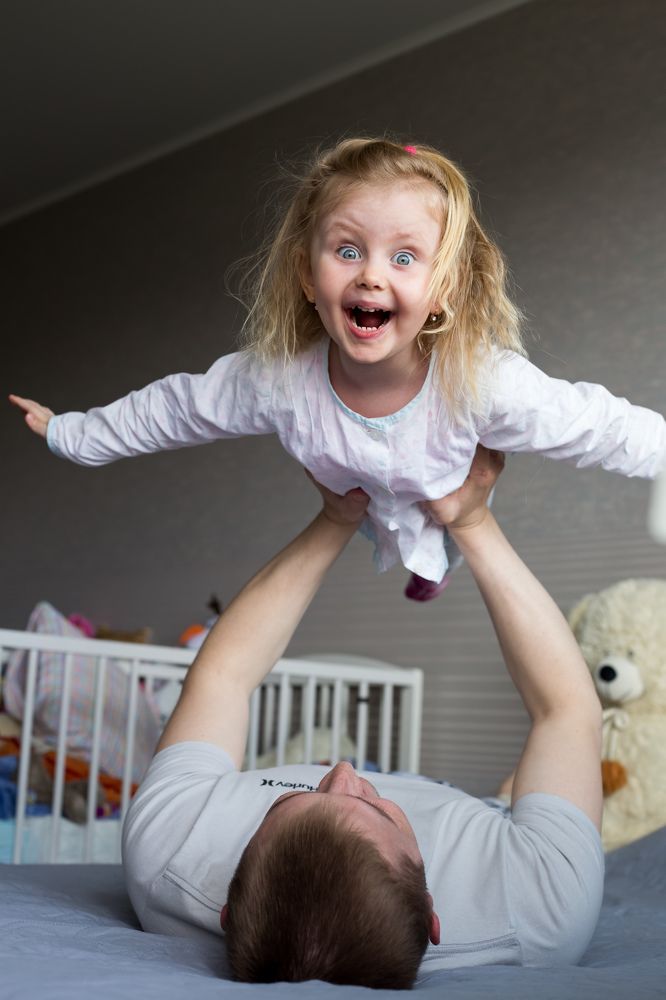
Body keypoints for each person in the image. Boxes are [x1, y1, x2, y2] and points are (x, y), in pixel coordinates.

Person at [10, 137, 665, 601]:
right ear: (306, 274)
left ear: (444, 290)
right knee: (388, 525)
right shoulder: (277, 380)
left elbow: (595, 424)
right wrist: (75, 433)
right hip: (362, 499)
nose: (371, 275)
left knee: (439, 533)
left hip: (446, 486)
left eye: (404, 258)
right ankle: (419, 559)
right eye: (348, 250)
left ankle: (432, 564)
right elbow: (179, 409)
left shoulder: (483, 381)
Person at [121, 447, 604, 989]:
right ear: (433, 915)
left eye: (295, 799)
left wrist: (337, 517)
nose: (345, 771)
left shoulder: (168, 853)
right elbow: (566, 710)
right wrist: (473, 522)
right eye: (375, 807)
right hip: (491, 820)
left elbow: (222, 676)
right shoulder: (540, 910)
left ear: (224, 911)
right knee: (537, 791)